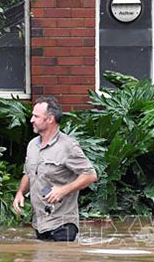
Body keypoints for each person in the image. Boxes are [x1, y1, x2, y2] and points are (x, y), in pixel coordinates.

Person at [13, 96, 97, 241]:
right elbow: (29, 173)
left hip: (63, 223)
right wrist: (20, 193)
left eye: (36, 116)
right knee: (41, 261)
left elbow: (90, 175)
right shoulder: (32, 145)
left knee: (60, 260)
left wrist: (63, 190)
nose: (31, 119)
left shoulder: (68, 146)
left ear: (50, 119)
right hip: (40, 223)